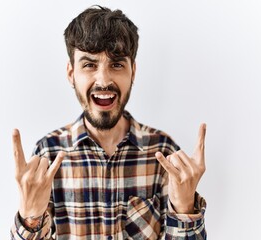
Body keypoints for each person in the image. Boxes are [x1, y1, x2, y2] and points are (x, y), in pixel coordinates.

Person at [11, 5, 207, 240]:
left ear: (132, 72)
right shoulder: (48, 154)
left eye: (116, 64)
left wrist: (185, 209)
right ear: (71, 73)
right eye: (89, 65)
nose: (103, 80)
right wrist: (30, 217)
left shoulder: (163, 153)